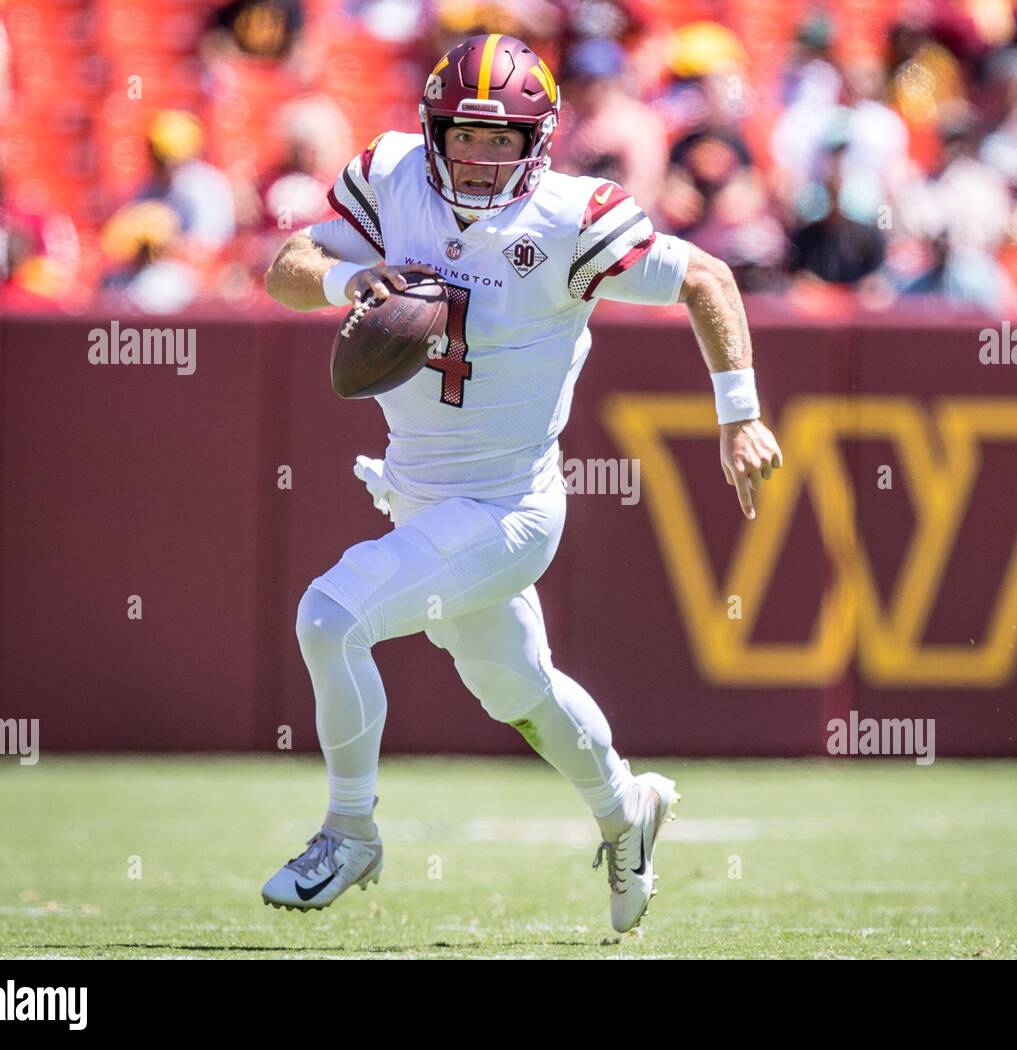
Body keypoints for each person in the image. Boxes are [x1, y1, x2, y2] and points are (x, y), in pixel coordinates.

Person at [262, 33, 782, 933]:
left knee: (329, 616)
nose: (481, 155)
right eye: (466, 134)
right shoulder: (391, 177)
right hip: (420, 494)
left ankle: (350, 831)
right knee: (520, 691)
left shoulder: (572, 217)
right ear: (433, 128)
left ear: (538, 141)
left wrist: (739, 414)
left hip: (508, 511)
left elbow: (707, 275)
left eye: (504, 140)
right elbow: (286, 271)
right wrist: (355, 276)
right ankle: (629, 812)